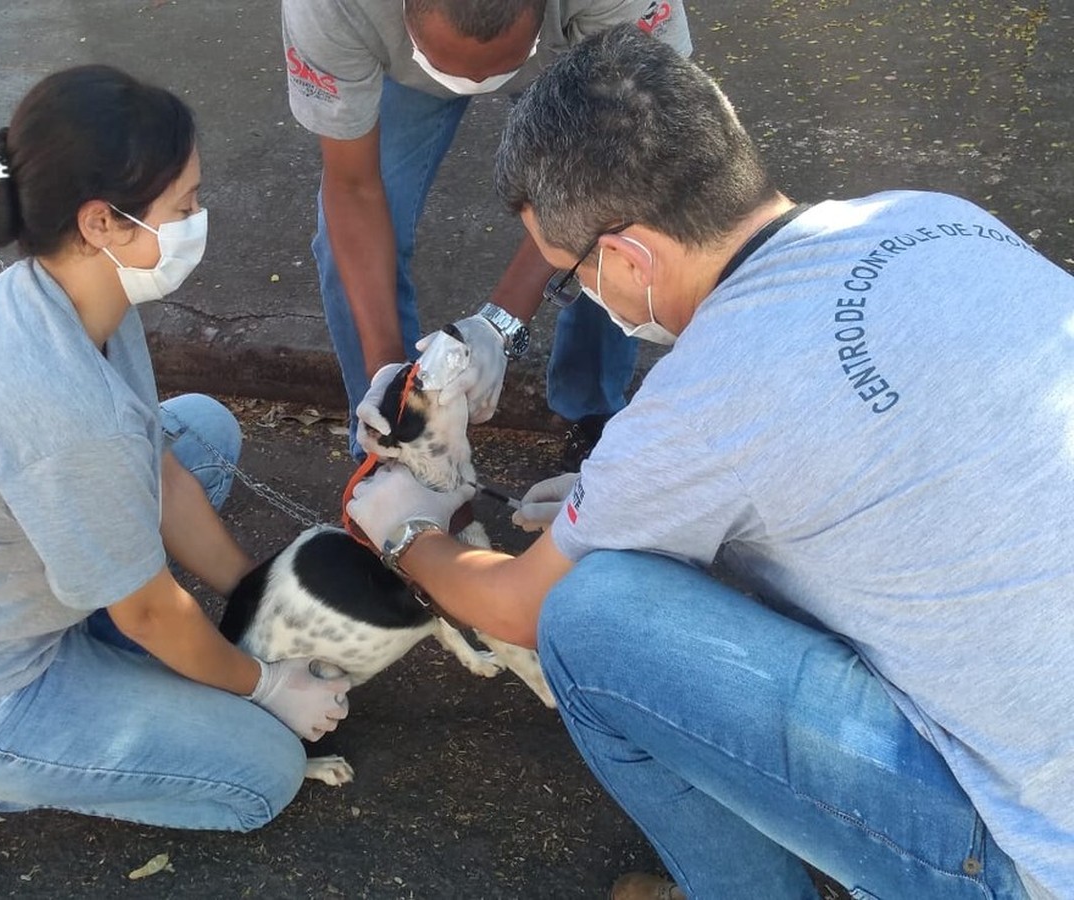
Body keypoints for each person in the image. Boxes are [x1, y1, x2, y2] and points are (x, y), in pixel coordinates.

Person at [346, 25, 1074, 900]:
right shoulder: (932, 217)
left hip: (1032, 853)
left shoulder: (708, 392)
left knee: (591, 620)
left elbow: (516, 609)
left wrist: (405, 535)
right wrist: (622, 499)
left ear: (626, 258)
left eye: (572, 278)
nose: (586, 293)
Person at [0, 65, 351, 875]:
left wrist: (258, 589)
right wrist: (264, 684)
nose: (200, 220)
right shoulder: (63, 409)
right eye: (185, 206)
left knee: (201, 430)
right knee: (263, 777)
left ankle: (95, 681)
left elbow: (158, 469)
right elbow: (152, 616)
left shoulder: (67, 298)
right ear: (102, 222)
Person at [280, 0, 692, 468]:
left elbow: (623, 162)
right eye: (450, 67)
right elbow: (353, 188)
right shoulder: (330, 8)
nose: (475, 84)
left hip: (567, 60)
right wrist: (389, 375)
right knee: (343, 250)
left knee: (626, 226)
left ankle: (593, 415)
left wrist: (498, 325)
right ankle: (391, 451)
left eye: (494, 68)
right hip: (404, 68)